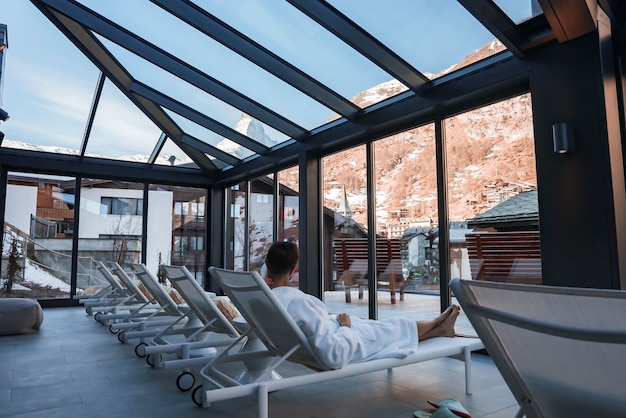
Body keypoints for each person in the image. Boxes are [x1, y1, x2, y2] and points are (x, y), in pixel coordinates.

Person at [263, 241, 460, 369]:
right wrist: (346, 328)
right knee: (393, 327)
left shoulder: (266, 300)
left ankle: (439, 329)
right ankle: (436, 323)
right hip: (347, 342)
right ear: (293, 270)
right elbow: (334, 355)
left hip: (332, 330)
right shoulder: (297, 303)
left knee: (381, 327)